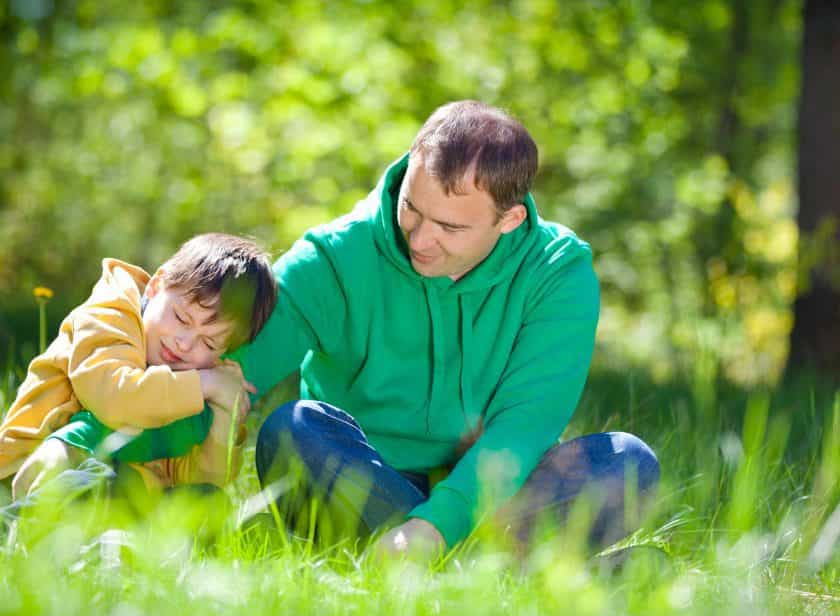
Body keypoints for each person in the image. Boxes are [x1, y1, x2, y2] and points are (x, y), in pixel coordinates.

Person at [234, 101, 660, 559]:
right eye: (412, 208)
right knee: (293, 430)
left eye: (449, 227)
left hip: (493, 491)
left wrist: (436, 526)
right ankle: (487, 567)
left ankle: (423, 556)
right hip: (367, 475)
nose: (419, 239)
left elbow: (522, 427)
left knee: (627, 463)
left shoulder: (557, 273)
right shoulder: (333, 257)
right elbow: (232, 369)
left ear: (509, 219)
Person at [0, 233, 277, 514]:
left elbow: (199, 476)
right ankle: (11, 527)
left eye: (209, 342)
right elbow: (117, 400)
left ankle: (116, 547)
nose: (184, 343)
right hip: (28, 474)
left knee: (210, 502)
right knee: (98, 482)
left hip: (124, 486)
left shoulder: (197, 373)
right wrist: (206, 384)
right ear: (156, 286)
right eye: (181, 318)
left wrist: (225, 411)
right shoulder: (111, 314)